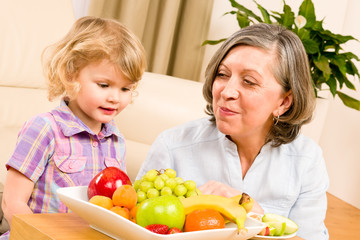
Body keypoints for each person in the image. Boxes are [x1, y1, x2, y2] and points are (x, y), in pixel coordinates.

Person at [137, 23, 329, 240]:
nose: (226, 91)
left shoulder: (307, 160)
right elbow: (133, 225)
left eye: (249, 82)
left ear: (284, 102)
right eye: (222, 74)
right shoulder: (172, 145)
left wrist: (257, 215)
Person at [0, 16, 146, 239]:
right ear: (71, 74)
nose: (115, 98)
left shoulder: (117, 141)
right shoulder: (44, 128)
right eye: (104, 85)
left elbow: (117, 209)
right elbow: (12, 201)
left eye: (126, 89)